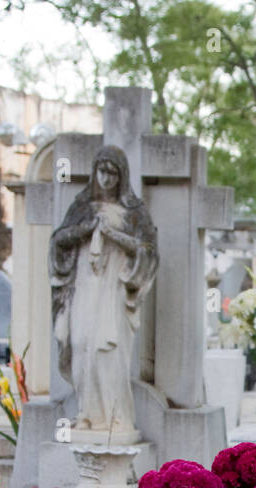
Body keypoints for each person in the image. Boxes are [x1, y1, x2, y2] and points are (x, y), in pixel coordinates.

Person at [49, 144, 158, 434]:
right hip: (84, 285)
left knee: (107, 352)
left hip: (114, 288)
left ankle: (114, 416)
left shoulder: (134, 212)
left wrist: (115, 236)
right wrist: (84, 230)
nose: (106, 178)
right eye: (102, 171)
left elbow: (148, 251)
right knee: (82, 344)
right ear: (94, 173)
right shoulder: (82, 207)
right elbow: (59, 239)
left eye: (113, 172)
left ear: (122, 176)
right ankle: (86, 413)